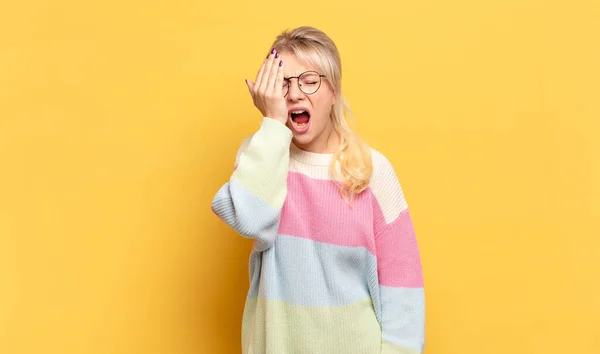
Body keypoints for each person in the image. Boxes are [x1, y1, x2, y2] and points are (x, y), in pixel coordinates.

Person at [211, 26, 425, 354]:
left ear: (334, 90)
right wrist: (271, 126)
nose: (295, 94)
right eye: (283, 82)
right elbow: (250, 218)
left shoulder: (372, 171)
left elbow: (403, 289)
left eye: (310, 80)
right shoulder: (262, 156)